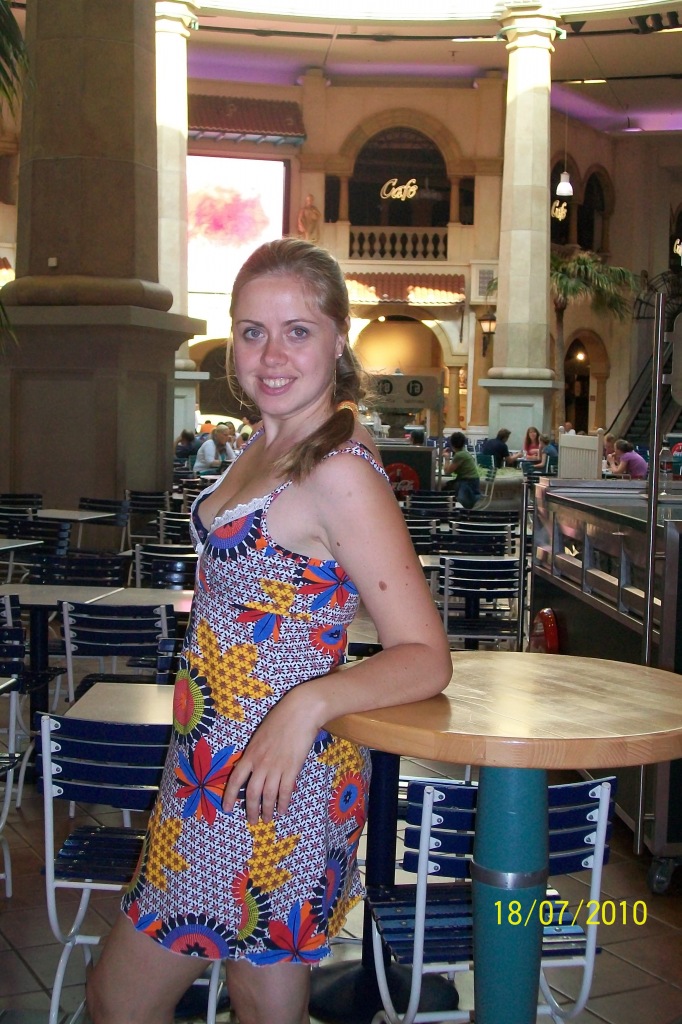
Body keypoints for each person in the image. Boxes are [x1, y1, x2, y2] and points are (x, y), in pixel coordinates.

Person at [87, 237, 452, 1024]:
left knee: (142, 998)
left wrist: (304, 707)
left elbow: (426, 655)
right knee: (206, 997)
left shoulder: (338, 471)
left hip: (276, 779)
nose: (271, 354)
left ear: (338, 339)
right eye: (252, 331)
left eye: (298, 331)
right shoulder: (267, 438)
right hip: (212, 763)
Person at [442, 431, 481, 508]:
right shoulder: (464, 452)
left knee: (446, 490)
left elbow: (447, 472)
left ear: (452, 444)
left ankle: (448, 509)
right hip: (472, 481)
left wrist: (446, 458)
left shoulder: (459, 455)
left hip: (467, 483)